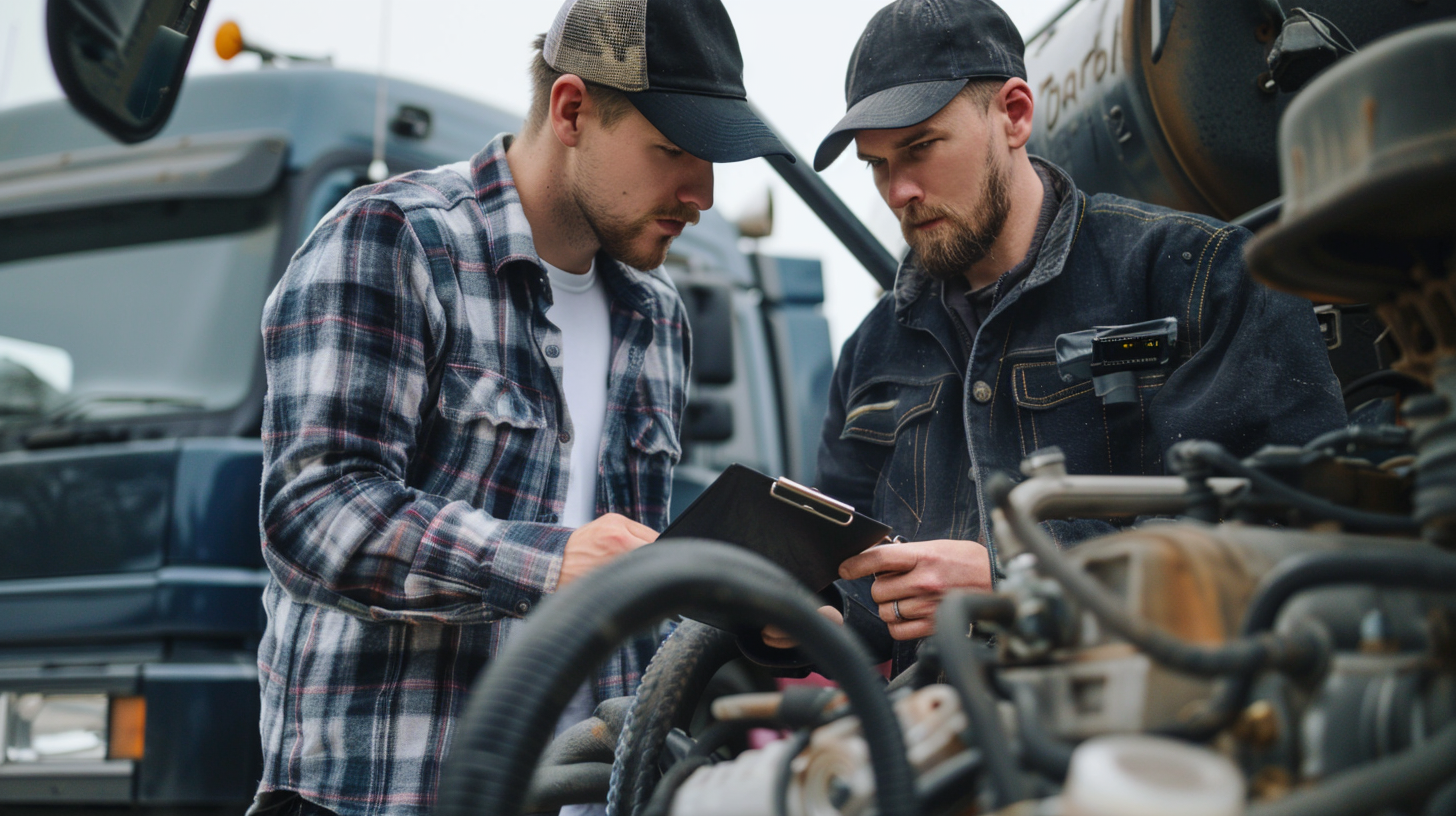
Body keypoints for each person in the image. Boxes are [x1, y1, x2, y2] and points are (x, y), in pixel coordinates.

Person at [249, 1, 792, 814]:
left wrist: (752, 611)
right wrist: (548, 562)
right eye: (673, 149)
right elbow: (313, 510)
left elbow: (628, 577)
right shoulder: (395, 238)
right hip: (384, 797)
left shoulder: (659, 315)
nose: (703, 193)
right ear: (572, 110)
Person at [765, 0, 1345, 675]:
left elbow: (1283, 530)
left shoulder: (1197, 276)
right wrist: (812, 620)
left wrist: (1018, 577)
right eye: (878, 164)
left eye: (920, 147)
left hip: (1162, 734)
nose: (899, 191)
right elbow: (857, 592)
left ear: (1014, 114)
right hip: (943, 748)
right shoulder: (870, 357)